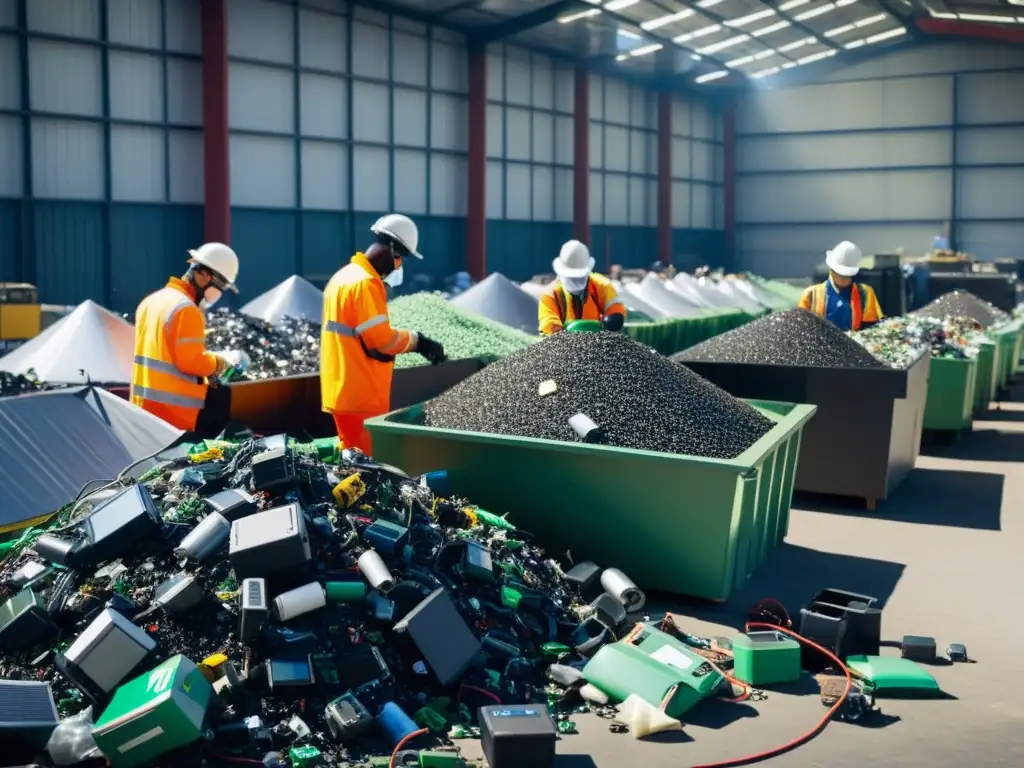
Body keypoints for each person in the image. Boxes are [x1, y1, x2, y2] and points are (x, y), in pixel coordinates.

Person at [321, 214, 446, 456]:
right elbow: (381, 340)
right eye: (401, 257)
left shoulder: (343, 277)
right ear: (391, 248)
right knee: (365, 468)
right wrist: (419, 342)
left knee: (351, 459)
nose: (399, 265)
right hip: (360, 393)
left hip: (341, 389)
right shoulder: (366, 284)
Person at [131, 243, 248, 432]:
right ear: (202, 275)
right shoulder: (186, 310)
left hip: (143, 409)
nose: (219, 293)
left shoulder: (152, 301)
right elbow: (190, 361)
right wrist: (220, 362)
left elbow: (166, 354)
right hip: (174, 414)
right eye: (220, 286)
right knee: (223, 398)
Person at [538, 240, 627, 335]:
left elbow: (614, 306)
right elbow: (548, 322)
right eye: (572, 277)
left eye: (580, 277)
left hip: (597, 338)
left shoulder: (601, 286)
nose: (576, 281)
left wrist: (614, 317)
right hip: (564, 342)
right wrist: (560, 336)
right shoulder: (551, 294)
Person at [798, 241, 883, 331]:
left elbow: (871, 328)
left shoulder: (865, 293)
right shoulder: (811, 294)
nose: (843, 277)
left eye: (846, 275)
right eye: (840, 273)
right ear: (831, 269)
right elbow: (800, 325)